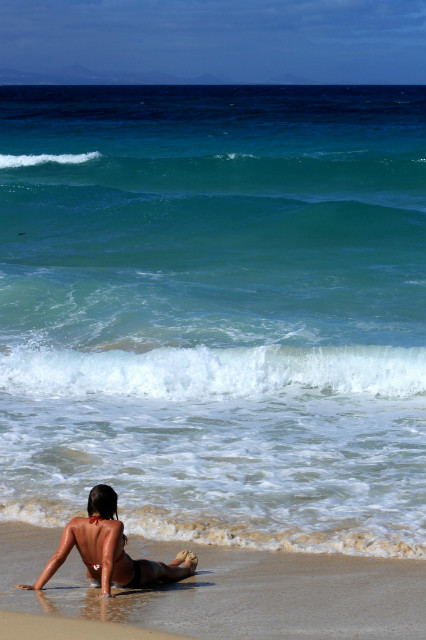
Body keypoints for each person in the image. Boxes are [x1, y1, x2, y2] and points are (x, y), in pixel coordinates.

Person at [15, 484, 198, 597]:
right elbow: (108, 559)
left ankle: (176, 562)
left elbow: (58, 557)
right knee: (163, 571)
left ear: (90, 504)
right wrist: (105, 593)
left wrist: (37, 586)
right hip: (128, 577)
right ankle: (188, 567)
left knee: (160, 571)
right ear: (111, 506)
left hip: (95, 577)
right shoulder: (114, 525)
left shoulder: (74, 524)